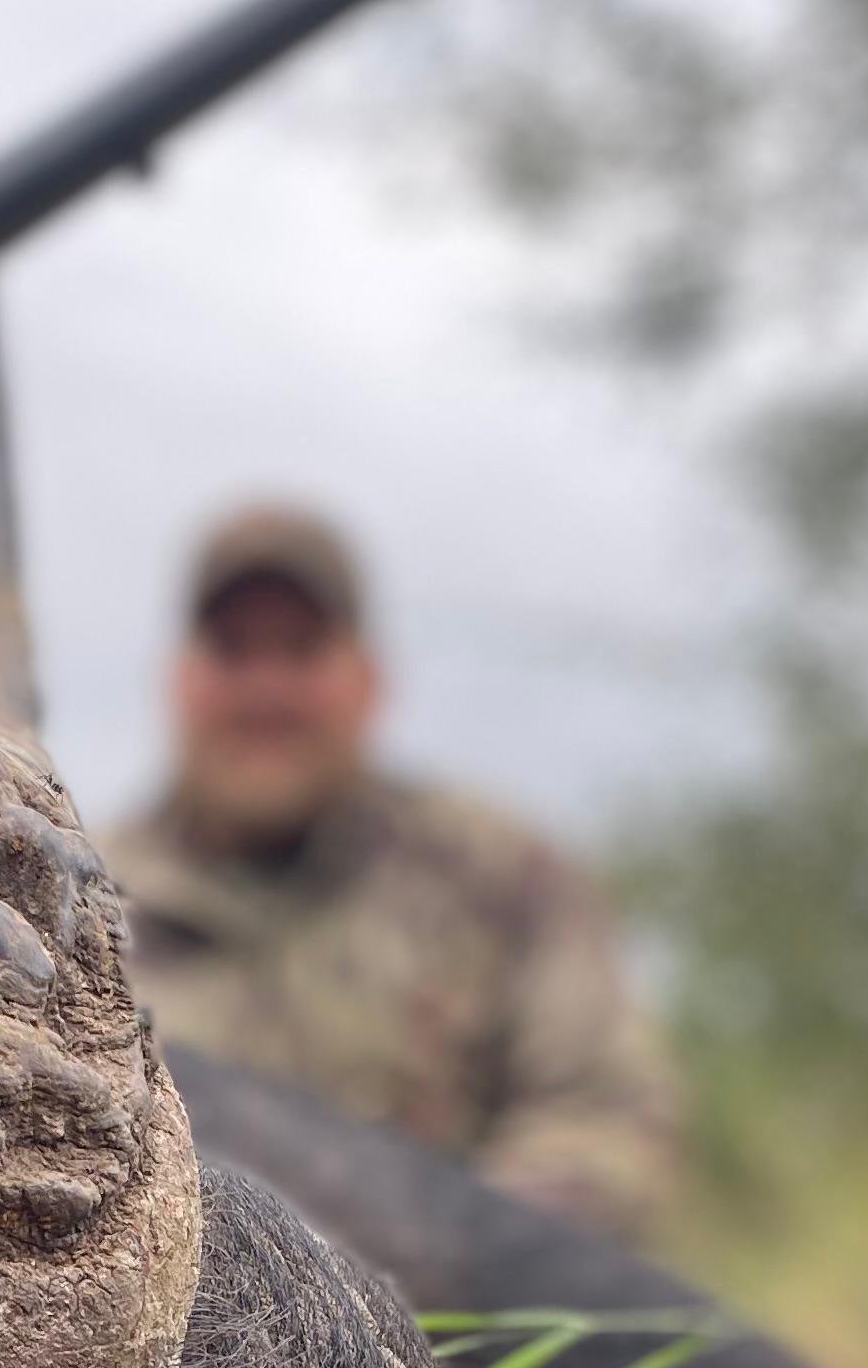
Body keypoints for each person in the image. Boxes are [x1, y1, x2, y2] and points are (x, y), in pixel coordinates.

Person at [103, 504, 678, 1241]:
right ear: (180, 681)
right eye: (235, 650)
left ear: (369, 681)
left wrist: (462, 1256)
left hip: (463, 1337)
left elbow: (609, 1113)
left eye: (301, 650)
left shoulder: (502, 875)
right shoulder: (78, 906)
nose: (267, 689)